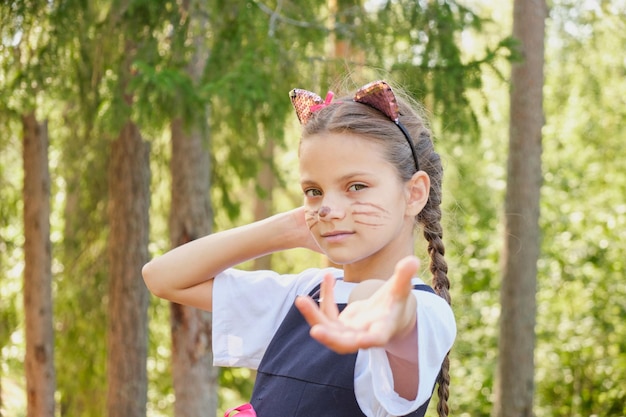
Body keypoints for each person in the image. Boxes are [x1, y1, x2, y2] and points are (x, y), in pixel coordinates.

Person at [142, 80, 456, 417]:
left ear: (414, 194)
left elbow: (397, 316)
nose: (327, 208)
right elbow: (162, 277)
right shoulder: (304, 294)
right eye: (314, 191)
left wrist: (385, 310)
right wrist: (288, 228)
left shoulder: (427, 312)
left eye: (356, 186)